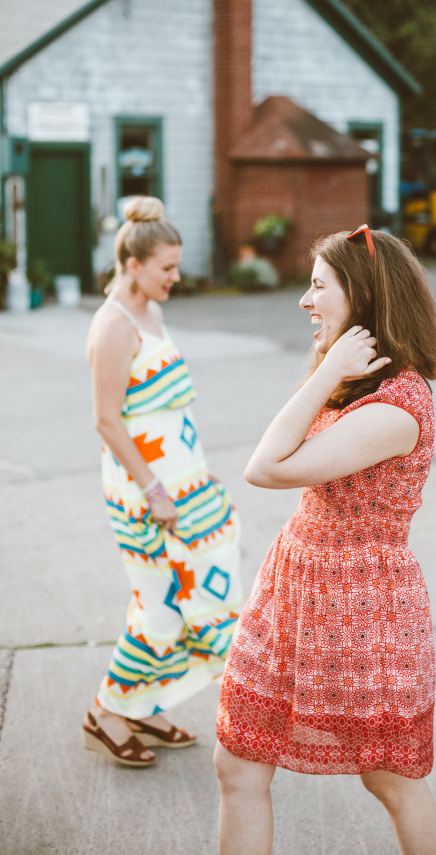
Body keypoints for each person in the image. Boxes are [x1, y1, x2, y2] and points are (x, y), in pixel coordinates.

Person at [214, 225, 436, 855]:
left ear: (363, 298)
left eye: (318, 285)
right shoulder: (362, 385)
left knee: (393, 781)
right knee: (237, 766)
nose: (304, 300)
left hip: (358, 610)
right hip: (295, 590)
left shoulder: (396, 408)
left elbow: (265, 467)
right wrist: (333, 369)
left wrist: (327, 373)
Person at [83, 196, 242, 767]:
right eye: (166, 268)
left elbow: (170, 409)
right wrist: (155, 488)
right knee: (159, 605)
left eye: (177, 266)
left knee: (175, 602)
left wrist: (196, 468)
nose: (177, 277)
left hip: (180, 480)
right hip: (141, 490)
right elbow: (107, 420)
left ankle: (140, 707)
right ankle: (105, 713)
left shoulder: (152, 312)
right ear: (132, 264)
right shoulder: (114, 326)